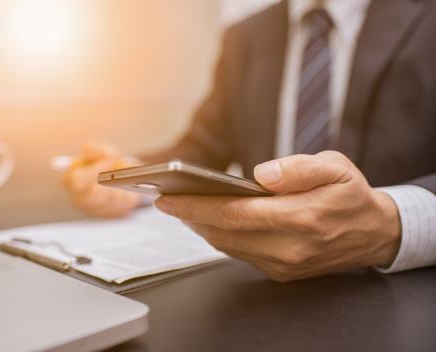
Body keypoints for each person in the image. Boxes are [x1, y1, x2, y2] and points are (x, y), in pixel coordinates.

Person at [63, 0, 436, 281]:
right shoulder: (244, 36)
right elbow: (203, 149)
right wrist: (129, 175)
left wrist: (393, 223)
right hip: (259, 288)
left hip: (397, 291)